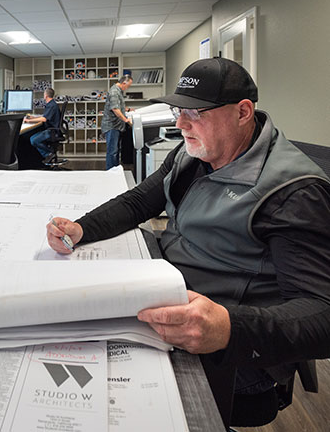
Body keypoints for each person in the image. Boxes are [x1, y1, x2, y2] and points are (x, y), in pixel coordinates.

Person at [47, 57, 330, 411]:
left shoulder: (293, 193)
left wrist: (229, 327)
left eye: (195, 113)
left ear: (243, 112)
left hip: (231, 343)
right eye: (179, 111)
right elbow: (140, 201)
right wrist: (82, 227)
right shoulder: (193, 153)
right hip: (167, 289)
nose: (181, 124)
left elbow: (322, 314)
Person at [101, 74, 133, 170]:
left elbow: (118, 106)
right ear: (124, 83)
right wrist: (126, 120)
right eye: (128, 86)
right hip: (112, 126)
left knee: (115, 151)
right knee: (112, 151)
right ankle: (111, 172)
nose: (128, 88)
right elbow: (115, 109)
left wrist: (127, 110)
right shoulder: (114, 92)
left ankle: (115, 171)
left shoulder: (118, 91)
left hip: (116, 126)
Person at [23, 87, 61, 164]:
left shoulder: (51, 105)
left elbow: (44, 119)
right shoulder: (51, 104)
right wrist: (33, 117)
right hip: (51, 129)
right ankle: (49, 154)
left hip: (52, 131)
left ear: (46, 95)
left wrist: (28, 121)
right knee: (32, 138)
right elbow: (44, 117)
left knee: (33, 140)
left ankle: (49, 153)